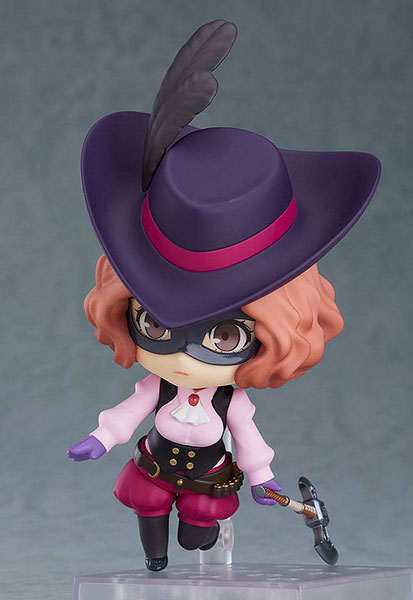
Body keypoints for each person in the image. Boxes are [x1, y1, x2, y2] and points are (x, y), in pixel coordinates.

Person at [68, 20, 381, 571]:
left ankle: (195, 537)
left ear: (278, 334)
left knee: (199, 534)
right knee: (148, 510)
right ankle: (156, 557)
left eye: (225, 336)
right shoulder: (159, 387)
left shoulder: (229, 401)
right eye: (156, 326)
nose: (184, 356)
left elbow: (248, 437)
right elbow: (128, 411)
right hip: (154, 466)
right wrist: (101, 437)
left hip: (209, 476)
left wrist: (263, 478)